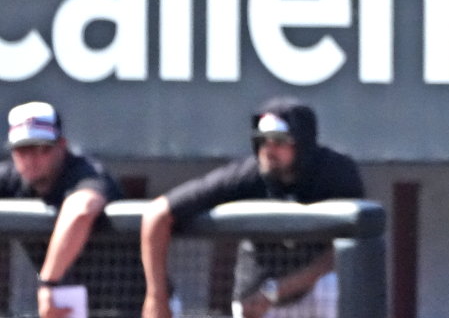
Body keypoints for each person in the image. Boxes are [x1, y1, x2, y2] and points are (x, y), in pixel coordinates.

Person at [140, 98, 364, 318]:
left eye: (278, 140)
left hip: (312, 289)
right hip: (258, 296)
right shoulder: (247, 175)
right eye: (262, 140)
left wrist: (280, 289)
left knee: (332, 285)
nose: (268, 149)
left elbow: (345, 248)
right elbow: (157, 214)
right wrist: (156, 295)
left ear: (301, 143)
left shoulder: (336, 173)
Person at [0, 101, 146, 318]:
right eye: (22, 150)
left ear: (62, 145)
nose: (31, 159)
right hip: (70, 306)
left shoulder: (85, 172)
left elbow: (82, 210)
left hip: (133, 303)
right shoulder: (12, 178)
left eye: (42, 149)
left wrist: (48, 283)